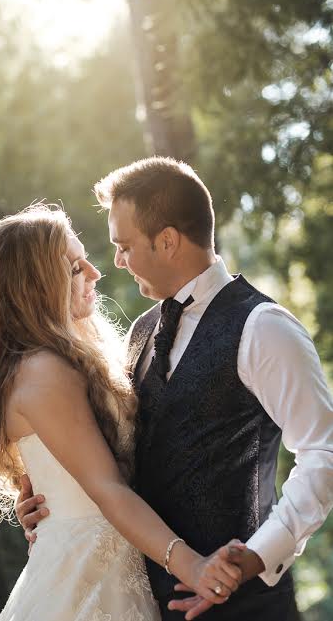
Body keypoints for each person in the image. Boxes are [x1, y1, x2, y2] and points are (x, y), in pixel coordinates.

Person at [17, 158, 333, 620]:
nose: (117, 262)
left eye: (124, 246)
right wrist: (58, 504)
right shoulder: (143, 332)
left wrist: (257, 556)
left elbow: (324, 452)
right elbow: (125, 460)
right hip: (147, 602)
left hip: (246, 608)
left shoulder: (264, 328)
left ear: (167, 241)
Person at [0, 203, 243, 621]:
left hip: (106, 563)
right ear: (34, 286)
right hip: (89, 577)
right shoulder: (42, 371)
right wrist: (193, 567)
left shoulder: (59, 362)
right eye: (73, 268)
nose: (94, 272)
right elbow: (107, 490)